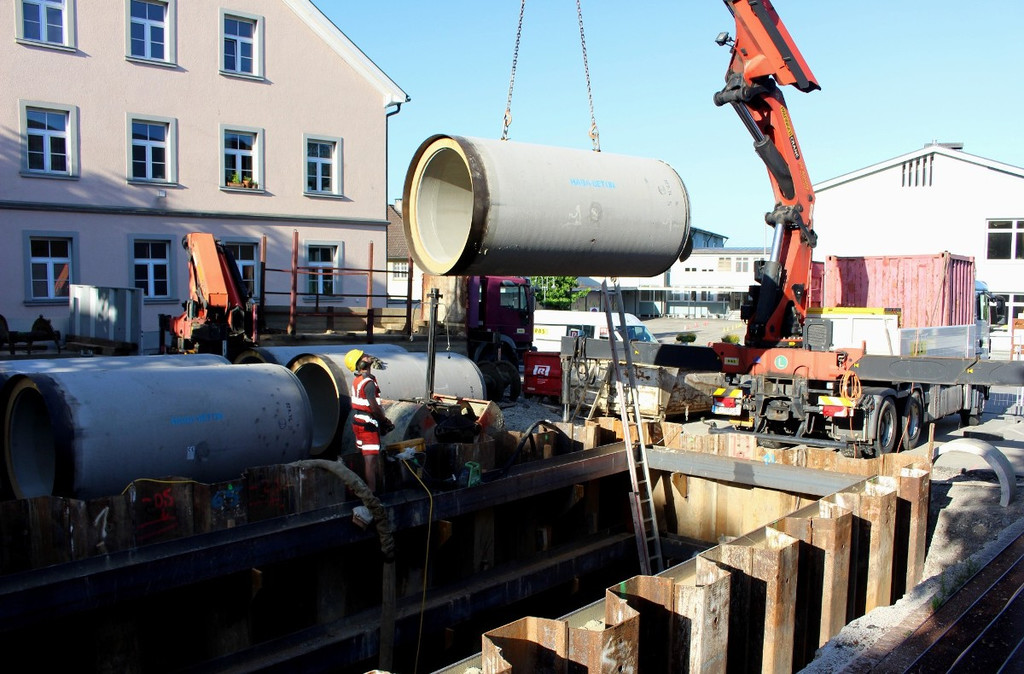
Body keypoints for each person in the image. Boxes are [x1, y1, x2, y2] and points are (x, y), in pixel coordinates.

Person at [345, 349, 394, 492]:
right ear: (360, 363)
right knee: (370, 461)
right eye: (364, 357)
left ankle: (362, 490)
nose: (367, 356)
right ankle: (371, 496)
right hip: (368, 425)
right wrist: (385, 421)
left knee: (362, 457)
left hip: (359, 423)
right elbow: (374, 407)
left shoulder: (358, 380)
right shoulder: (368, 383)